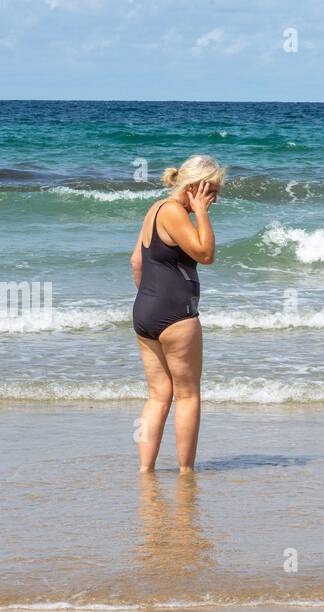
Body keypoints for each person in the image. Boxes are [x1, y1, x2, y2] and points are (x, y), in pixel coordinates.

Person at [130, 154, 224, 474]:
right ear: (196, 187)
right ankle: (186, 472)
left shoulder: (154, 208)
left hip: (144, 312)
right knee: (187, 395)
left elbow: (136, 262)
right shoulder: (174, 212)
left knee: (158, 396)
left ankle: (146, 470)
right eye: (211, 191)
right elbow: (206, 253)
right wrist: (200, 214)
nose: (215, 199)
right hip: (176, 315)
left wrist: (152, 299)